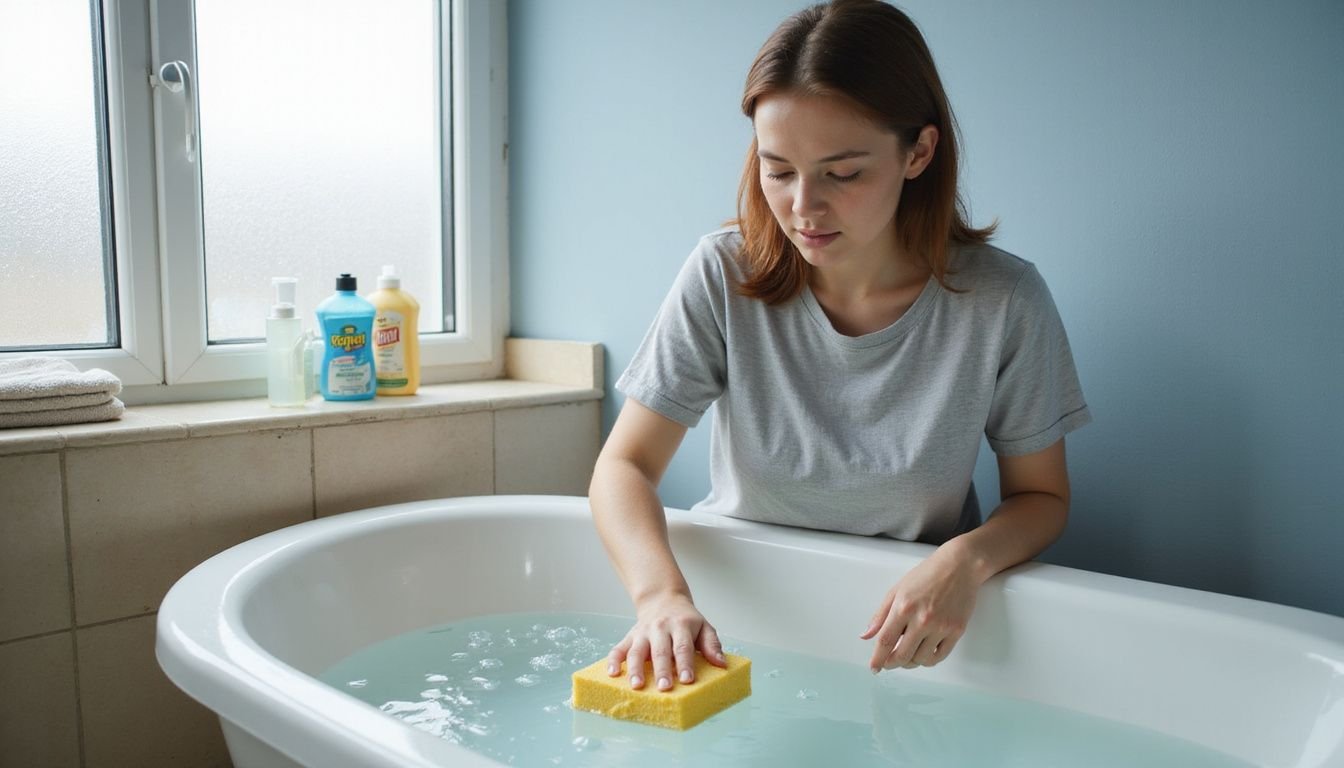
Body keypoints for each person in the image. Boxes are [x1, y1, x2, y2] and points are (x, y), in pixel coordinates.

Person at [588, 0, 1091, 693]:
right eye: (778, 169)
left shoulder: (1004, 301)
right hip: (739, 621)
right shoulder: (722, 273)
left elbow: (1041, 497)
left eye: (843, 173)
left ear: (918, 152)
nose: (802, 207)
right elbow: (624, 467)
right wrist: (659, 597)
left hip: (910, 635)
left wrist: (964, 562)